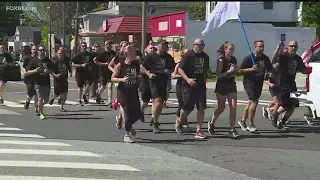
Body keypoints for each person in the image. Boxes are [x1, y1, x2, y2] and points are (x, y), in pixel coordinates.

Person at [271, 40, 309, 129]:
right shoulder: (284, 56)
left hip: (292, 84)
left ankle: (282, 121)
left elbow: (303, 70)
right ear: (288, 47)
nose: (293, 48)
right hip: (282, 84)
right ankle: (274, 115)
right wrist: (278, 49)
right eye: (291, 46)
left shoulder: (298, 58)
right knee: (285, 105)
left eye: (295, 46)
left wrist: (311, 70)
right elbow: (273, 60)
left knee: (294, 105)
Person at [177, 38, 209, 138]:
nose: (201, 47)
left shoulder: (205, 57)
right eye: (199, 45)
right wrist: (187, 79)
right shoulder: (188, 55)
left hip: (200, 85)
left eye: (203, 45)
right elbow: (180, 69)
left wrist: (204, 81)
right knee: (187, 107)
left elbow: (205, 71)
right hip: (188, 84)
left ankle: (198, 131)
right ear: (194, 45)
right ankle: (180, 121)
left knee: (201, 108)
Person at [111, 45, 144, 143]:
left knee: (138, 114)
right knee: (128, 113)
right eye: (134, 52)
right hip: (123, 92)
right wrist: (122, 79)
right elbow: (113, 78)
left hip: (133, 91)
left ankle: (128, 125)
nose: (136, 54)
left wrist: (139, 78)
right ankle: (126, 135)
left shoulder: (136, 64)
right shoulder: (120, 65)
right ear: (128, 53)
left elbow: (138, 75)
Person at [238, 40, 273, 132]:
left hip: (259, 82)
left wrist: (269, 74)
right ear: (255, 47)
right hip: (249, 82)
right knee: (254, 102)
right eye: (259, 47)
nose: (261, 48)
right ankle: (251, 123)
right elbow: (240, 71)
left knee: (251, 103)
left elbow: (270, 69)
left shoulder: (265, 58)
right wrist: (251, 69)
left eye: (262, 47)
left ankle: (242, 121)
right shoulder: (248, 58)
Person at [141, 40, 175, 133]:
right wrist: (148, 73)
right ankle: (155, 122)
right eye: (163, 46)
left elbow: (173, 67)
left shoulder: (168, 57)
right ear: (158, 46)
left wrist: (170, 71)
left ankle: (153, 118)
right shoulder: (151, 56)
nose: (165, 48)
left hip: (163, 81)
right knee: (158, 101)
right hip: (153, 81)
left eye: (166, 46)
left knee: (159, 103)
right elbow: (141, 66)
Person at [207, 42, 239, 138]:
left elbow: (234, 71)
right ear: (225, 50)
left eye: (233, 49)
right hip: (222, 85)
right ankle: (212, 122)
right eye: (230, 49)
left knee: (233, 107)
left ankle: (232, 128)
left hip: (231, 84)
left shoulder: (233, 59)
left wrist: (235, 70)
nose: (231, 51)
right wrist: (229, 71)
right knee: (221, 107)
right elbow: (218, 75)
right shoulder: (221, 60)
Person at [25, 46, 53, 120]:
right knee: (40, 98)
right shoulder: (34, 60)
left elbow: (52, 69)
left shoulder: (47, 60)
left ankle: (39, 106)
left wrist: (49, 71)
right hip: (37, 82)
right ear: (38, 51)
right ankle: (41, 113)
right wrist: (35, 71)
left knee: (46, 100)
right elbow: (27, 72)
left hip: (46, 82)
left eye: (43, 50)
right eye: (40, 50)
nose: (42, 52)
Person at [262, 43, 288, 119]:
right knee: (278, 103)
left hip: (279, 86)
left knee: (280, 101)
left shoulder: (282, 65)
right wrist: (270, 84)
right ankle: (273, 115)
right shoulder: (271, 68)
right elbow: (264, 79)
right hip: (272, 87)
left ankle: (267, 108)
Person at [108, 41, 129, 128]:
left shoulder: (130, 56)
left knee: (125, 101)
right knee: (122, 100)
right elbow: (110, 65)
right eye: (124, 46)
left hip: (128, 79)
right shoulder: (118, 56)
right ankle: (122, 118)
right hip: (119, 79)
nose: (126, 47)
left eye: (127, 45)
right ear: (120, 47)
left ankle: (120, 117)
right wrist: (115, 71)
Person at [172, 48, 190, 131]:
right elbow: (173, 76)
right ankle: (178, 121)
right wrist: (183, 76)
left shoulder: (193, 63)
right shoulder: (179, 64)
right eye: (186, 53)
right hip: (181, 85)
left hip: (189, 85)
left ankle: (184, 119)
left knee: (189, 104)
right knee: (182, 104)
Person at [139, 44, 157, 122]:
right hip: (145, 81)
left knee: (155, 100)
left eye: (153, 48)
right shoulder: (143, 59)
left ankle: (153, 118)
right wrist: (147, 73)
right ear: (146, 50)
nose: (152, 49)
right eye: (150, 48)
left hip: (155, 82)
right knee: (145, 102)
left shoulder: (157, 58)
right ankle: (140, 111)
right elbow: (140, 68)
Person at [23, 45, 39, 114]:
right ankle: (28, 101)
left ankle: (36, 108)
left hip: (37, 78)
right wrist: (34, 71)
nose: (35, 51)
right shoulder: (27, 59)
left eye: (36, 49)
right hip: (29, 78)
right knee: (30, 92)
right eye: (34, 49)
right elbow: (25, 71)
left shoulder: (40, 59)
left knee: (36, 93)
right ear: (31, 50)